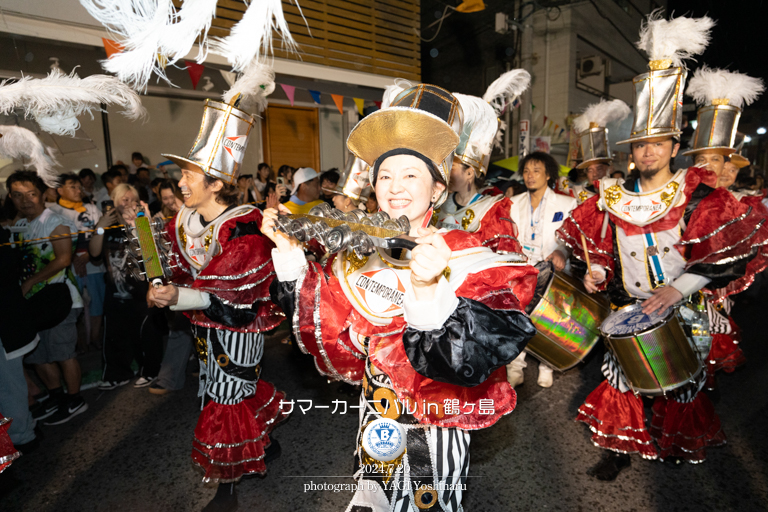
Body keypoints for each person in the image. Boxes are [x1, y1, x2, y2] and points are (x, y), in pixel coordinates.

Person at [263, 84, 538, 512]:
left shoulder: (467, 256)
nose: (395, 187)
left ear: (438, 188)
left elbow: (469, 362)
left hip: (432, 430)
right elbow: (324, 328)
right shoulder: (358, 253)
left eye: (411, 174)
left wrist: (429, 292)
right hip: (374, 424)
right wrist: (289, 255)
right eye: (385, 175)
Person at [557, 13, 767, 480]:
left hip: (683, 303)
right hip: (632, 305)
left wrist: (679, 289)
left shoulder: (700, 198)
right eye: (639, 145)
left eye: (658, 143)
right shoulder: (611, 199)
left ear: (674, 147)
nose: (647, 151)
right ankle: (617, 450)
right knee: (622, 380)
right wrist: (597, 274)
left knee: (682, 385)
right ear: (630, 152)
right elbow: (601, 254)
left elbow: (724, 260)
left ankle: (674, 444)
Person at [153, 94, 288, 511]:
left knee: (225, 399)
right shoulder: (185, 219)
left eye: (189, 175)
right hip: (201, 326)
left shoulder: (245, 228)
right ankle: (265, 443)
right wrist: (162, 286)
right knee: (224, 388)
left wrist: (180, 297)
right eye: (182, 174)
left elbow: (234, 301)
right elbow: (178, 269)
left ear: (216, 183)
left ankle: (227, 485)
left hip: (237, 328)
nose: (180, 183)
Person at [683, 67, 766, 387]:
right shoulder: (677, 195)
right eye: (705, 158)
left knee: (701, 353)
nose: (712, 167)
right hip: (677, 286)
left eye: (718, 160)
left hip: (711, 289)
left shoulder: (736, 204)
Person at [7, 170, 87, 425]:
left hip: (60, 299)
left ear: (42, 195)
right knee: (36, 355)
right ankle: (57, 396)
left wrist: (30, 281)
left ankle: (75, 399)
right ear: (11, 197)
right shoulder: (19, 225)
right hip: (30, 302)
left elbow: (63, 259)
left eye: (31, 194)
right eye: (18, 195)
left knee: (63, 352)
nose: (25, 200)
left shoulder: (55, 221)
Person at [505, 151, 577, 388]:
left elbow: (572, 240)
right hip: (522, 268)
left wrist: (562, 252)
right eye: (526, 171)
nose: (530, 176)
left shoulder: (566, 203)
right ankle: (516, 365)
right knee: (518, 316)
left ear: (548, 175)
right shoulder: (514, 203)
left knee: (550, 318)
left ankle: (547, 365)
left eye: (536, 171)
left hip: (552, 269)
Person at [88, 184, 164, 390]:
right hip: (115, 290)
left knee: (145, 333)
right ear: (114, 202)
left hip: (139, 289)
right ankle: (117, 373)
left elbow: (149, 256)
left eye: (133, 199)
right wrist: (101, 225)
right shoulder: (107, 225)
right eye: (124, 199)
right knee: (114, 335)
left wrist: (138, 226)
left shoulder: (141, 221)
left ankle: (150, 370)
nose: (129, 203)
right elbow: (94, 252)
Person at [48, 173, 107, 353]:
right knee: (75, 304)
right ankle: (80, 341)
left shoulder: (91, 208)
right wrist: (72, 256)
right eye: (72, 186)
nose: (77, 190)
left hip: (93, 263)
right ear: (60, 190)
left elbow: (100, 232)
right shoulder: (53, 212)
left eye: (78, 186)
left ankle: (95, 338)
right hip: (68, 267)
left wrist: (90, 254)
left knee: (97, 303)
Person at [558, 100, 630, 204]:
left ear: (609, 169)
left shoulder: (621, 192)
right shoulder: (577, 194)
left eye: (599, 169)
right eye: (590, 170)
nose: (595, 174)